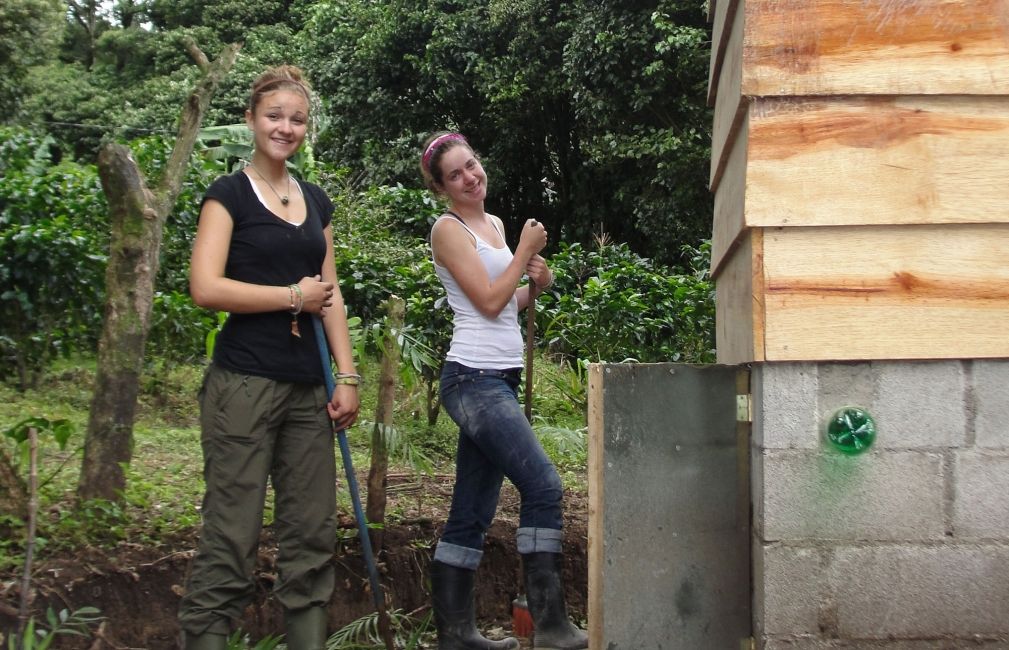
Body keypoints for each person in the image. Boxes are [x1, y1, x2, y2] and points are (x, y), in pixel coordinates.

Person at [177, 65, 360, 650]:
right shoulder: (227, 195)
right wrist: (290, 297)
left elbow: (329, 295)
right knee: (231, 535)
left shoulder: (315, 199)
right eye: (275, 116)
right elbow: (205, 288)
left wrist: (348, 375)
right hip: (243, 386)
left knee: (311, 535)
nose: (286, 128)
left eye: (297, 119)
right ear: (252, 120)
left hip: (310, 390)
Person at [420, 131, 589, 650]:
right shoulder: (447, 230)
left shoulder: (491, 224)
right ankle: (551, 623)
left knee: (471, 510)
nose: (470, 177)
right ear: (441, 186)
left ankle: (456, 635)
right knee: (543, 486)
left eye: (471, 165)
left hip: (500, 378)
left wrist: (535, 281)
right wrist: (523, 253)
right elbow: (488, 303)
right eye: (455, 174)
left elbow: (506, 302)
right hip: (472, 378)